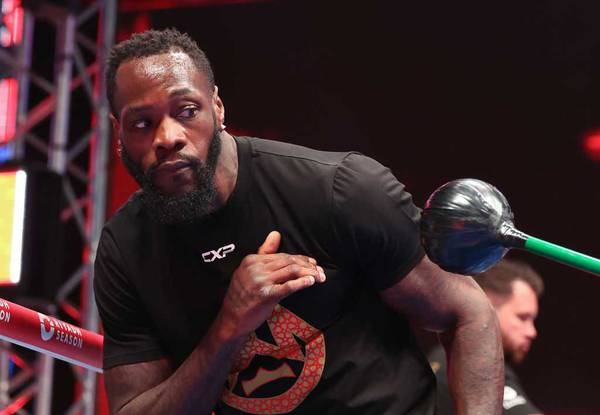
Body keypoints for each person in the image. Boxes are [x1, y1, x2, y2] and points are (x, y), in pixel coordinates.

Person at [94, 28, 503, 414]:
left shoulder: (337, 190)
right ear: (119, 133)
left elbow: (467, 313)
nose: (168, 137)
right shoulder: (125, 250)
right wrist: (229, 328)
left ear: (217, 107)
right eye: (142, 123)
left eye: (186, 111)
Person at [429, 258, 544, 414]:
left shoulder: (442, 356)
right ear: (487, 305)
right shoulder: (474, 361)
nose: (532, 332)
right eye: (522, 317)